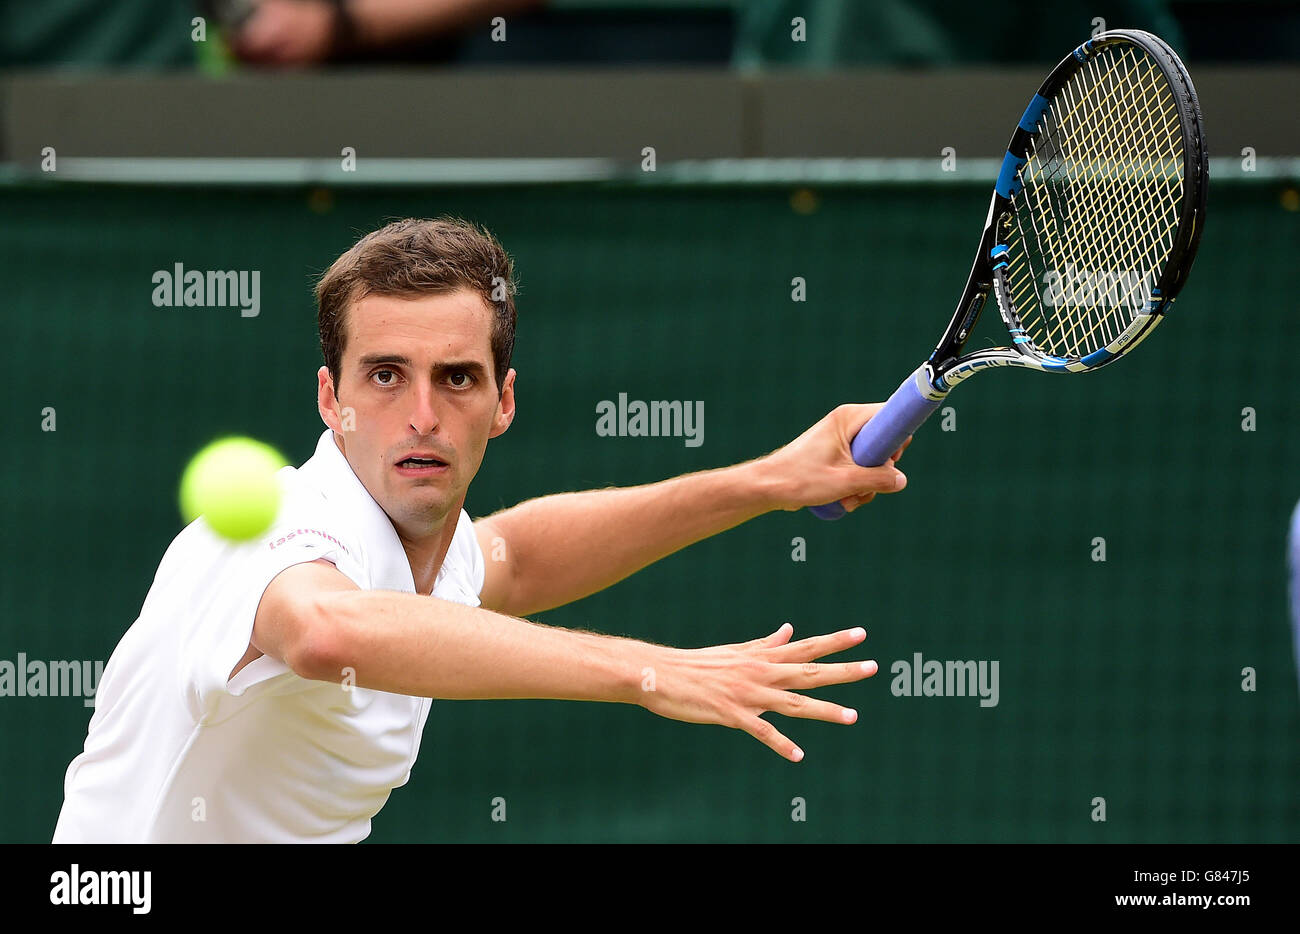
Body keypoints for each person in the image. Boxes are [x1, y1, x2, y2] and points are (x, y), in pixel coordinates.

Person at [53, 216, 910, 843]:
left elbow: (519, 557)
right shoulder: (273, 526)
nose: (421, 415)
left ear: (502, 403)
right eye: (385, 375)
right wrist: (647, 671)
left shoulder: (428, 551)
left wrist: (768, 482)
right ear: (331, 400)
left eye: (456, 378)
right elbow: (322, 630)